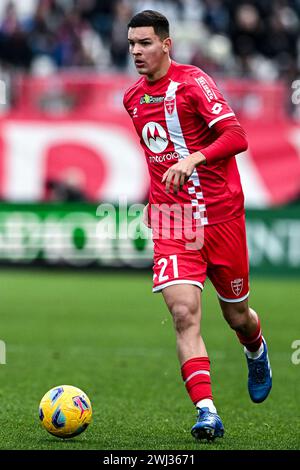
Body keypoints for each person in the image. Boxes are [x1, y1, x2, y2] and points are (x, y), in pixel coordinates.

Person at [123, 10, 272, 441]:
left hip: (222, 216)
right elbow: (157, 155)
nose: (136, 51)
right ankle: (207, 411)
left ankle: (256, 348)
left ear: (166, 44)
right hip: (174, 221)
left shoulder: (193, 83)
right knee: (184, 312)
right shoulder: (132, 97)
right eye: (132, 43)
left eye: (145, 43)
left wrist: (194, 158)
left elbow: (236, 135)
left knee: (237, 315)